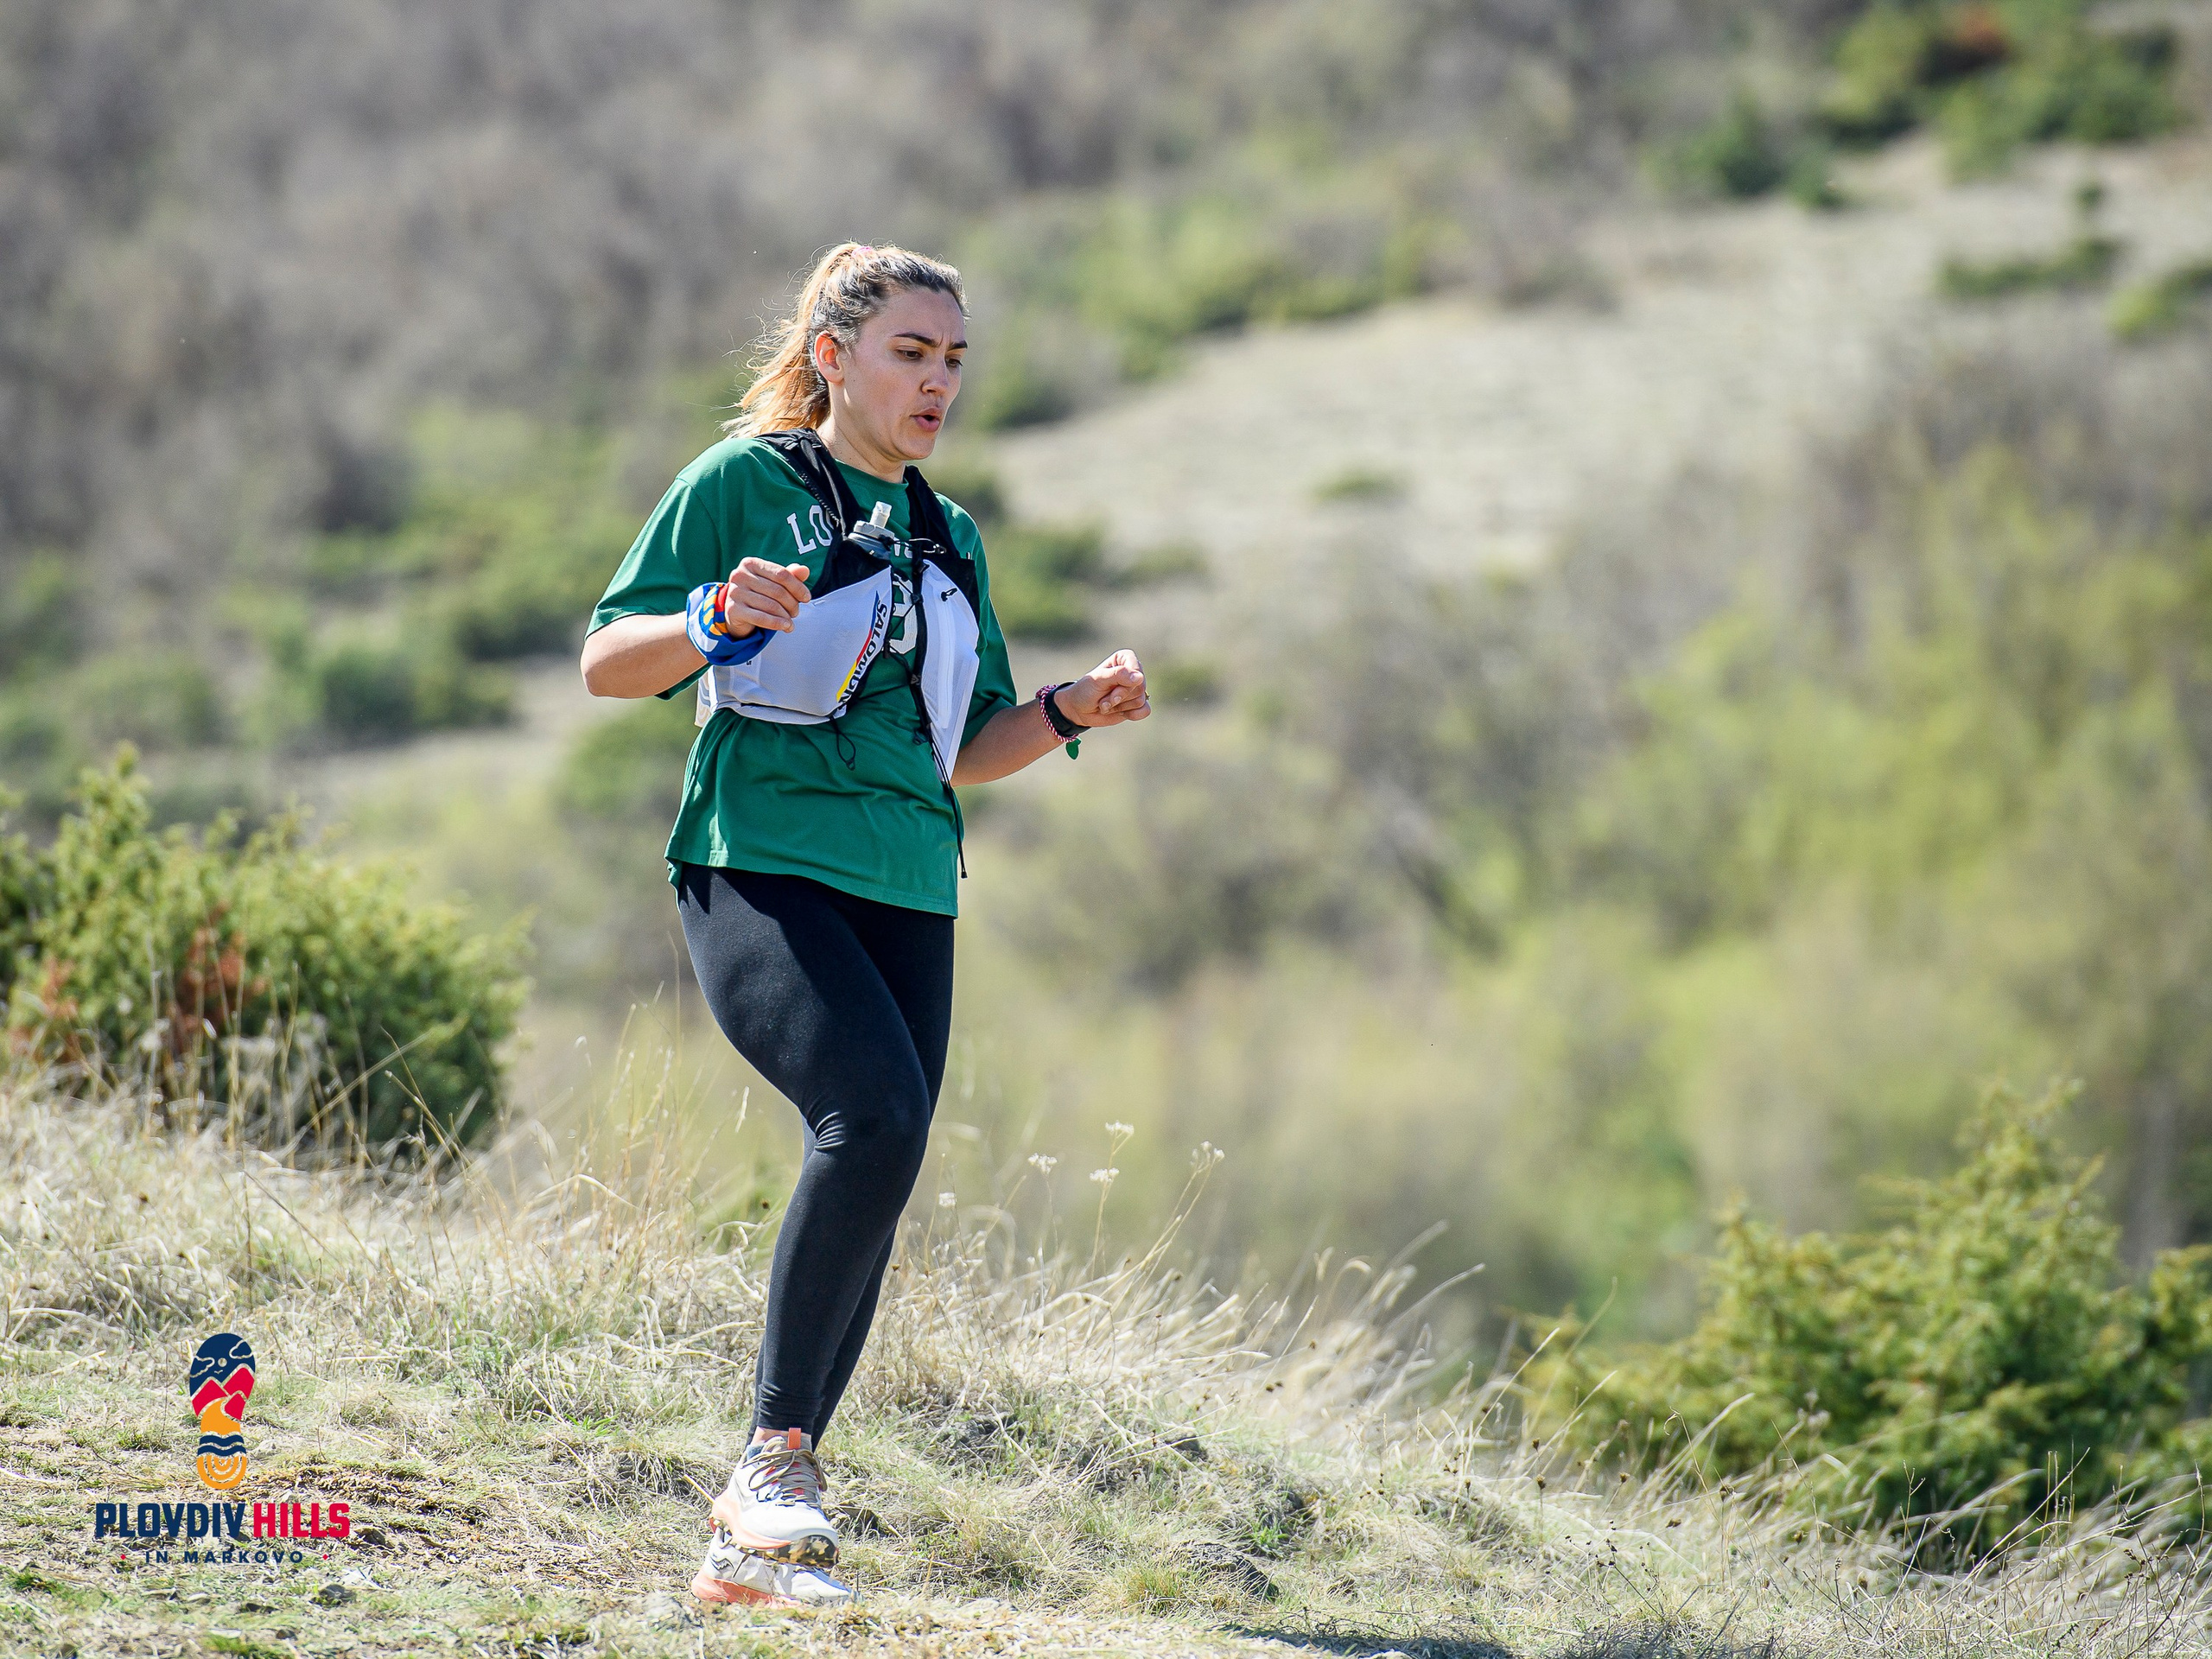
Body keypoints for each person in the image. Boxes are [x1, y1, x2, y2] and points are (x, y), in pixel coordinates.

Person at [579, 243, 1150, 1609]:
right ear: (834, 356)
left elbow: (965, 745)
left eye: (954, 358)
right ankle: (773, 1461)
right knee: (875, 1119)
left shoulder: (951, 535)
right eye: (912, 351)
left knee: (883, 1164)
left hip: (910, 885)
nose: (938, 379)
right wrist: (711, 618)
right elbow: (607, 661)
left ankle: (754, 1535)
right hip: (758, 862)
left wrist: (1072, 708)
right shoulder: (743, 487)